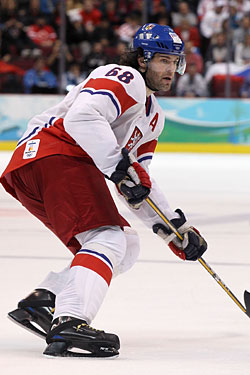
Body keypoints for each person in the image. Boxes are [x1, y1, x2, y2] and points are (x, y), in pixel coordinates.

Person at [0, 23, 207, 358]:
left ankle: (45, 301)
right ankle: (71, 319)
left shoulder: (154, 118)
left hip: (37, 165)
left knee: (125, 244)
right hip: (54, 153)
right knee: (107, 238)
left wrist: (175, 230)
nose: (171, 70)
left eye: (175, 62)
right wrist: (116, 164)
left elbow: (136, 182)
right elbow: (81, 119)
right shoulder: (125, 78)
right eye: (163, 61)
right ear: (142, 59)